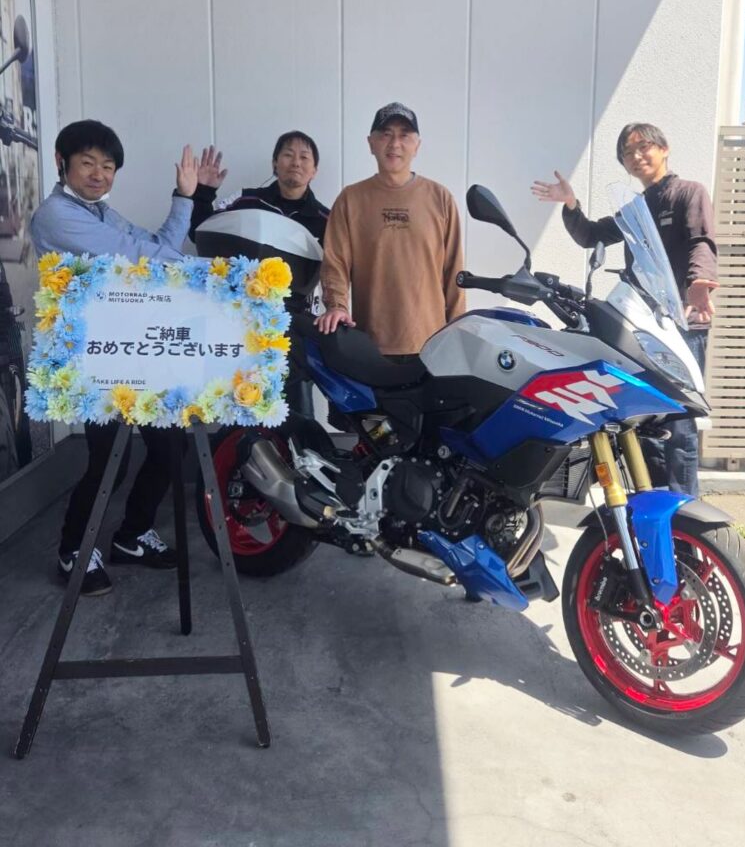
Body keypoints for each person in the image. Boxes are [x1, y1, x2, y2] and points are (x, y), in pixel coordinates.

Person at [30, 119, 205, 595]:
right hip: (93, 357)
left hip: (133, 350)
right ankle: (73, 550)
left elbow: (158, 248)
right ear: (61, 162)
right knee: (111, 458)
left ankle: (132, 535)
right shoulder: (56, 216)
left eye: (107, 166)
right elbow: (134, 256)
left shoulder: (102, 214)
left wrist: (184, 195)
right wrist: (212, 273)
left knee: (170, 449)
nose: (98, 174)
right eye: (87, 162)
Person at [531, 122, 718, 497]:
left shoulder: (688, 192)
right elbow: (590, 235)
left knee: (679, 421)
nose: (636, 156)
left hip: (683, 321)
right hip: (644, 325)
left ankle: (684, 507)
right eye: (627, 153)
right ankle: (653, 499)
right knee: (645, 415)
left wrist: (699, 283)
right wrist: (571, 204)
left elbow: (701, 241)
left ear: (664, 149)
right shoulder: (636, 207)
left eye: (643, 147)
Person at [189, 131, 330, 417]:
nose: (296, 162)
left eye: (304, 157)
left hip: (295, 326)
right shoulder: (244, 200)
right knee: (240, 402)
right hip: (239, 322)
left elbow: (337, 271)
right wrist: (203, 192)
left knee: (296, 407)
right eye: (288, 154)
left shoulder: (327, 219)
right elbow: (198, 232)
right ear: (275, 163)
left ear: (314, 170)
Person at [316, 102, 466, 359]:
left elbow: (455, 272)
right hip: (369, 344)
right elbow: (335, 262)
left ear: (417, 145)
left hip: (432, 344)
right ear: (371, 143)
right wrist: (337, 306)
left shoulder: (440, 198)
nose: (395, 144)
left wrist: (458, 329)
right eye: (386, 134)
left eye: (404, 135)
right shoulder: (350, 199)